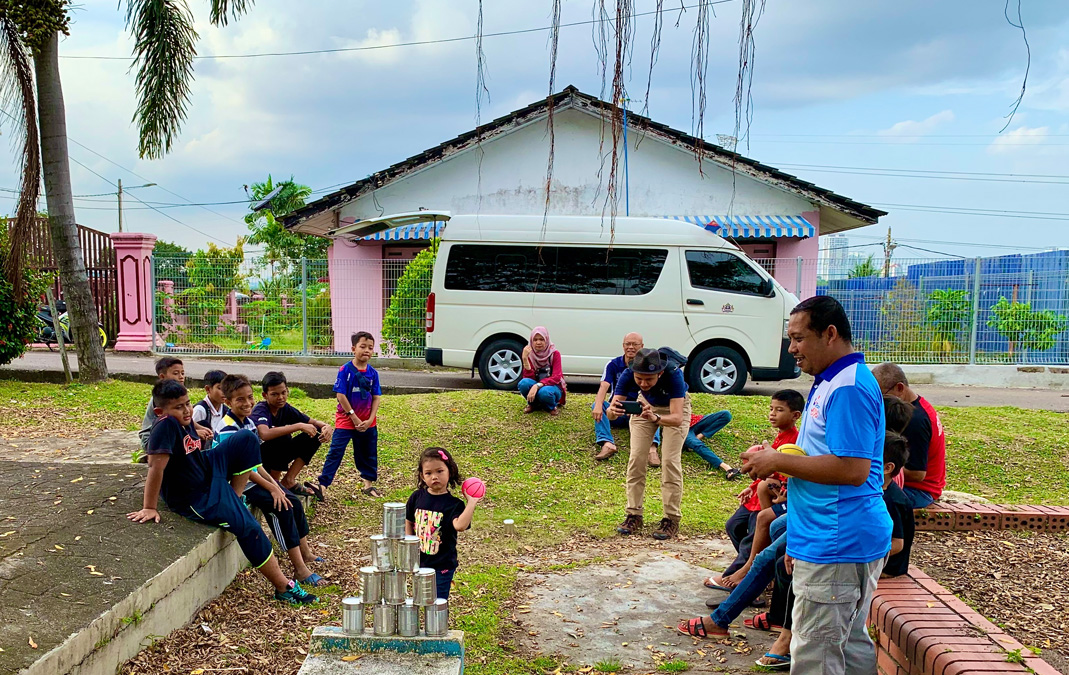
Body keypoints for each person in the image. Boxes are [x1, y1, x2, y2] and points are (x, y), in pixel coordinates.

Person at [739, 295, 891, 675]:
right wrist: (799, 538)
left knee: (815, 657)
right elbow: (824, 459)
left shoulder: (848, 387)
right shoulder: (831, 381)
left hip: (838, 542)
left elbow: (852, 469)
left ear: (830, 334)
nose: (791, 349)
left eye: (798, 338)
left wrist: (777, 460)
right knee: (848, 645)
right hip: (827, 538)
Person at [127, 380, 316, 605]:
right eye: (179, 407)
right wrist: (149, 507)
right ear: (160, 412)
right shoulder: (165, 425)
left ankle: (234, 498)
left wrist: (197, 428)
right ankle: (283, 587)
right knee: (250, 528)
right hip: (195, 495)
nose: (187, 410)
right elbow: (155, 468)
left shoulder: (182, 419)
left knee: (246, 439)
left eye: (187, 403)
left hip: (205, 468)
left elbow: (189, 429)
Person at [217, 374, 326, 589]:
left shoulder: (248, 423)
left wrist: (275, 485)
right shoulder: (228, 428)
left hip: (253, 477)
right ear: (227, 402)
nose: (247, 403)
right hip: (238, 485)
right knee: (282, 507)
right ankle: (299, 569)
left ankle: (304, 553)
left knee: (292, 501)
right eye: (240, 399)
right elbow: (242, 470)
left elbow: (255, 464)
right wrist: (272, 488)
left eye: (249, 397)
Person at [705, 389, 802, 590]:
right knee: (734, 525)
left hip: (771, 499)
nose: (772, 414)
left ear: (795, 415)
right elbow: (766, 471)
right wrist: (751, 487)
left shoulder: (794, 441)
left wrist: (782, 493)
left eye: (779, 410)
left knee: (754, 533)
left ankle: (743, 577)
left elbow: (787, 474)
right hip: (758, 496)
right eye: (771, 409)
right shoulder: (780, 437)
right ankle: (759, 570)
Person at [608, 347, 691, 541]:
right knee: (636, 458)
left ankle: (671, 518)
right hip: (645, 406)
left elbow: (677, 418)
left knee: (670, 461)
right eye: (639, 379)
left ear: (659, 374)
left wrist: (656, 417)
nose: (643, 383)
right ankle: (634, 514)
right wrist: (613, 411)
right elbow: (610, 412)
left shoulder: (673, 374)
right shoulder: (628, 374)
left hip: (673, 409)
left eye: (649, 379)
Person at [310, 331, 383, 499]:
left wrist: (370, 419)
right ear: (353, 348)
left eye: (370, 348)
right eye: (363, 346)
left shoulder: (373, 373)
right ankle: (323, 485)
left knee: (367, 452)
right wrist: (353, 417)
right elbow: (341, 395)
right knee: (336, 451)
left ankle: (368, 485)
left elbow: (376, 396)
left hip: (367, 422)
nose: (367, 350)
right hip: (346, 421)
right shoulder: (345, 370)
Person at [405, 447, 481, 599]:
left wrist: (472, 502)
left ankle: (439, 616)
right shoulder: (417, 497)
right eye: (428, 473)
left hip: (442, 566)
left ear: (450, 472)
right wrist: (410, 547)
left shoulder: (454, 504)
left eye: (439, 471)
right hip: (419, 564)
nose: (434, 477)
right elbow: (409, 521)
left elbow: (460, 526)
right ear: (422, 476)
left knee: (438, 603)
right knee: (421, 600)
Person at [873, 363, 947, 509]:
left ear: (900, 388)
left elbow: (918, 474)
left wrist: (872, 469)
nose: (876, 401)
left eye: (880, 395)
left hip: (920, 491)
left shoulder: (915, 421)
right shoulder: (916, 407)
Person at [252, 371, 332, 498]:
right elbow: (264, 434)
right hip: (259, 460)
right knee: (282, 436)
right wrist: (298, 426)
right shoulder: (260, 410)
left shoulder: (285, 408)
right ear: (265, 395)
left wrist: (326, 427)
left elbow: (313, 422)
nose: (280, 397)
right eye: (274, 394)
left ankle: (288, 480)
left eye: (283, 393)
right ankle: (274, 482)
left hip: (277, 454)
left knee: (315, 433)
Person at [592, 332, 660, 464]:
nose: (631, 347)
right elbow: (604, 386)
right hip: (618, 410)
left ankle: (652, 449)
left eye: (635, 344)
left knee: (652, 409)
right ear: (623, 346)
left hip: (640, 412)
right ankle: (607, 443)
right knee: (598, 405)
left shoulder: (649, 367)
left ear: (642, 346)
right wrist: (599, 405)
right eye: (627, 344)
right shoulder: (613, 364)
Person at [136, 357, 212, 462]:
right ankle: (161, 455)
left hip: (173, 432)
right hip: (154, 439)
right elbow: (171, 423)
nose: (181, 377)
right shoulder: (162, 397)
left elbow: (185, 417)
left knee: (204, 425)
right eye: (176, 373)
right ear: (162, 377)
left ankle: (197, 455)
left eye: (182, 373)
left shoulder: (179, 393)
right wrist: (194, 433)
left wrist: (201, 428)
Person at [880, 431, 915, 578]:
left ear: (887, 468)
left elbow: (897, 544)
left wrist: (868, 557)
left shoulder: (892, 501)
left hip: (888, 568)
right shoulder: (882, 491)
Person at [517, 326, 566, 416]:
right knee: (523, 383)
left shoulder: (554, 354)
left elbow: (556, 377)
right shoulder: (530, 354)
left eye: (541, 339)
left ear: (547, 340)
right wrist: (525, 359)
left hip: (552, 386)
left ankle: (551, 406)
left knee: (544, 392)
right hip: (537, 384)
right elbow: (528, 378)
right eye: (535, 340)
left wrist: (537, 385)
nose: (538, 342)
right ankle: (533, 404)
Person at [683, 409, 737, 478]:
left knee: (726, 414)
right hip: (681, 429)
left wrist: (701, 435)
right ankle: (726, 467)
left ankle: (699, 437)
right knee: (697, 444)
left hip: (694, 421)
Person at [192, 369, 229, 435]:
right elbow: (190, 431)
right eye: (220, 388)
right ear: (208, 389)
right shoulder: (200, 410)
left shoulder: (226, 411)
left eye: (227, 388)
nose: (224, 392)